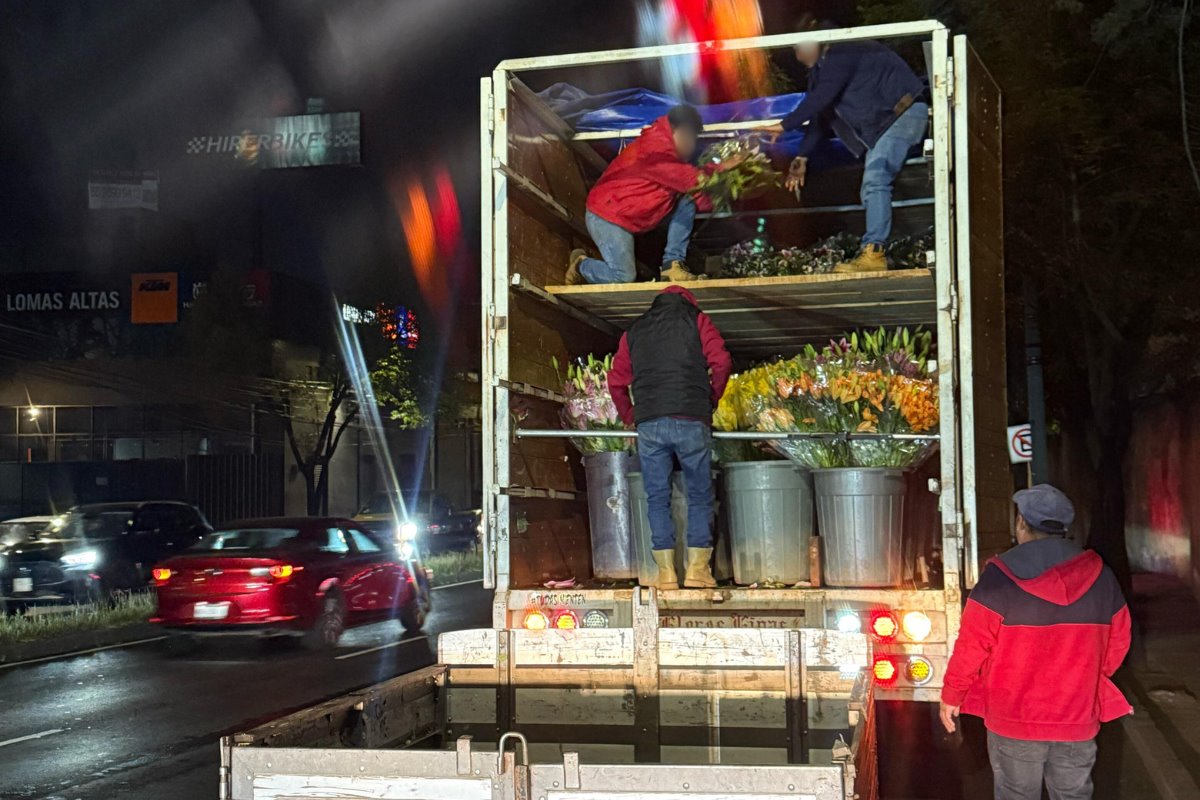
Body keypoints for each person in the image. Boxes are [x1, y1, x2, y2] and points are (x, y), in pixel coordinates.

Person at [940, 484, 1133, 800]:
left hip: (1014, 718)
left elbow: (971, 645)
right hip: (1076, 716)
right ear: (1063, 528)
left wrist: (952, 694)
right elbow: (1118, 642)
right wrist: (1086, 679)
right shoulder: (1101, 576)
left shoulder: (999, 577)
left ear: (1021, 523)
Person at [766, 22, 928, 274]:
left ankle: (874, 253)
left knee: (875, 180)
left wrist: (785, 125)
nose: (798, 55)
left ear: (816, 40)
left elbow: (823, 97)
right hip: (885, 126)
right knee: (871, 186)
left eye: (800, 46)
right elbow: (820, 115)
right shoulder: (822, 72)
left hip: (902, 115)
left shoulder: (844, 49)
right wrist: (802, 156)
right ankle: (876, 248)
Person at [607, 285, 732, 588]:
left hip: (649, 422)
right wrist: (710, 399)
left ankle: (665, 574)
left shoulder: (635, 330)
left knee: (657, 497)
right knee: (700, 494)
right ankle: (697, 571)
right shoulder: (698, 320)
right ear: (688, 301)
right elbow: (722, 362)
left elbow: (616, 380)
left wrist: (629, 414)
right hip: (691, 417)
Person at [567, 105, 740, 286]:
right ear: (677, 131)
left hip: (632, 218)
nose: (692, 145)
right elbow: (692, 182)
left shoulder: (672, 156)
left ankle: (672, 265)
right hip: (607, 217)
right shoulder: (655, 150)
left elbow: (694, 190)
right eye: (689, 138)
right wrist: (724, 169)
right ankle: (581, 265)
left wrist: (719, 184)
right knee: (623, 277)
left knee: (686, 202)